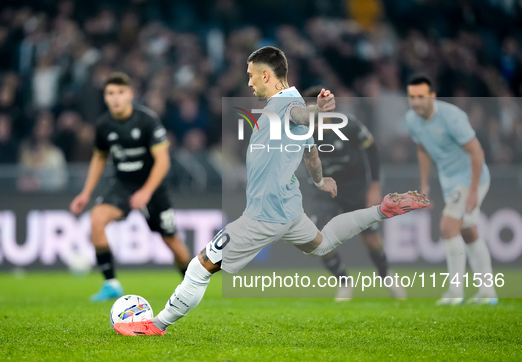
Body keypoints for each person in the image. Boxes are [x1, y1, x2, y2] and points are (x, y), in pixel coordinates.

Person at [113, 47, 429, 336]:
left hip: (265, 213)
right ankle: (381, 211)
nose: (249, 83)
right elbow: (311, 153)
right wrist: (319, 181)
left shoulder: (286, 105)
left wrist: (316, 111)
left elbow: (301, 115)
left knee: (200, 266)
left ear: (267, 75)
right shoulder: (283, 107)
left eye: (251, 76)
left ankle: (155, 326)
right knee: (322, 244)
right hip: (291, 207)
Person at [70, 72, 191, 302]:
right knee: (97, 219)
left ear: (130, 95)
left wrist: (146, 191)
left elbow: (163, 161)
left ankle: (191, 283)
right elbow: (99, 158)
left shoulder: (147, 120)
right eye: (110, 93)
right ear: (105, 97)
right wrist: (85, 193)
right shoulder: (104, 125)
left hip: (152, 187)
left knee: (171, 239)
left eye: (120, 92)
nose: (115, 98)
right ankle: (111, 284)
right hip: (123, 184)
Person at [301, 87, 404, 301]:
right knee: (318, 241)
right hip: (323, 191)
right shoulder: (302, 133)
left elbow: (372, 150)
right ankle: (344, 282)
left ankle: (386, 276)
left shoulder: (349, 126)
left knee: (372, 240)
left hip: (355, 187)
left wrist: (374, 185)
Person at [405, 74, 497, 305]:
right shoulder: (412, 119)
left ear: (432, 97)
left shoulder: (452, 117)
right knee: (469, 231)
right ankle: (488, 293)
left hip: (470, 178)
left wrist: (474, 190)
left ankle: (455, 292)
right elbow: (423, 150)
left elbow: (476, 152)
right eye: (412, 97)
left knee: (447, 227)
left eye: (421, 97)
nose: (416, 102)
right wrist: (424, 185)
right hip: (450, 181)